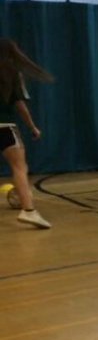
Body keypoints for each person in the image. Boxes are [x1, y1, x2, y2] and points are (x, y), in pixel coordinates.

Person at [0, 38, 53, 230]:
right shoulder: (14, 74)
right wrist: (32, 127)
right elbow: (20, 105)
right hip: (4, 127)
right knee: (19, 167)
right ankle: (29, 211)